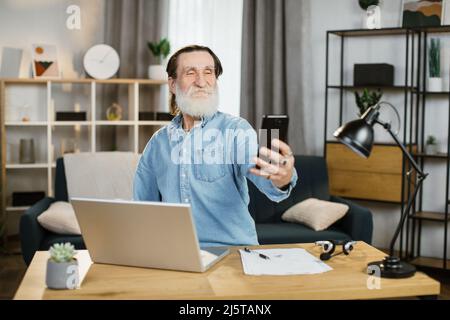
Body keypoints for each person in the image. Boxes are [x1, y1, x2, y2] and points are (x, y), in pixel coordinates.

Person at [133, 45, 298, 247]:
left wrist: (282, 176)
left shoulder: (237, 130)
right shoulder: (157, 143)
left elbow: (267, 182)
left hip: (231, 254)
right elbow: (144, 209)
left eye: (208, 72)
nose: (201, 82)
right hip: (177, 254)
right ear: (173, 84)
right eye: (191, 72)